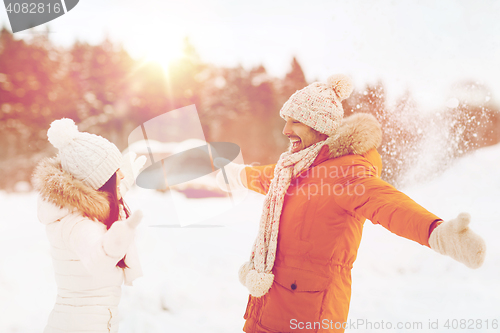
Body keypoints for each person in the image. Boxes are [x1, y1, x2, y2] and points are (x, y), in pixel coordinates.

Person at [215, 74, 487, 333]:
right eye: (286, 120)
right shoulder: (294, 168)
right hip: (266, 309)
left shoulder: (346, 172)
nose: (286, 130)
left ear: (318, 125)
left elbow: (388, 204)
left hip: (308, 315)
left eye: (295, 122)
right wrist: (235, 175)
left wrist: (436, 232)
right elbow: (266, 177)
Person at [32, 118, 146, 333]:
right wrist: (112, 244)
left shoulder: (79, 210)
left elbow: (101, 201)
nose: (121, 175)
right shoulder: (78, 224)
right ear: (100, 182)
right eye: (116, 172)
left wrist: (124, 182)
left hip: (84, 321)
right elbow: (96, 257)